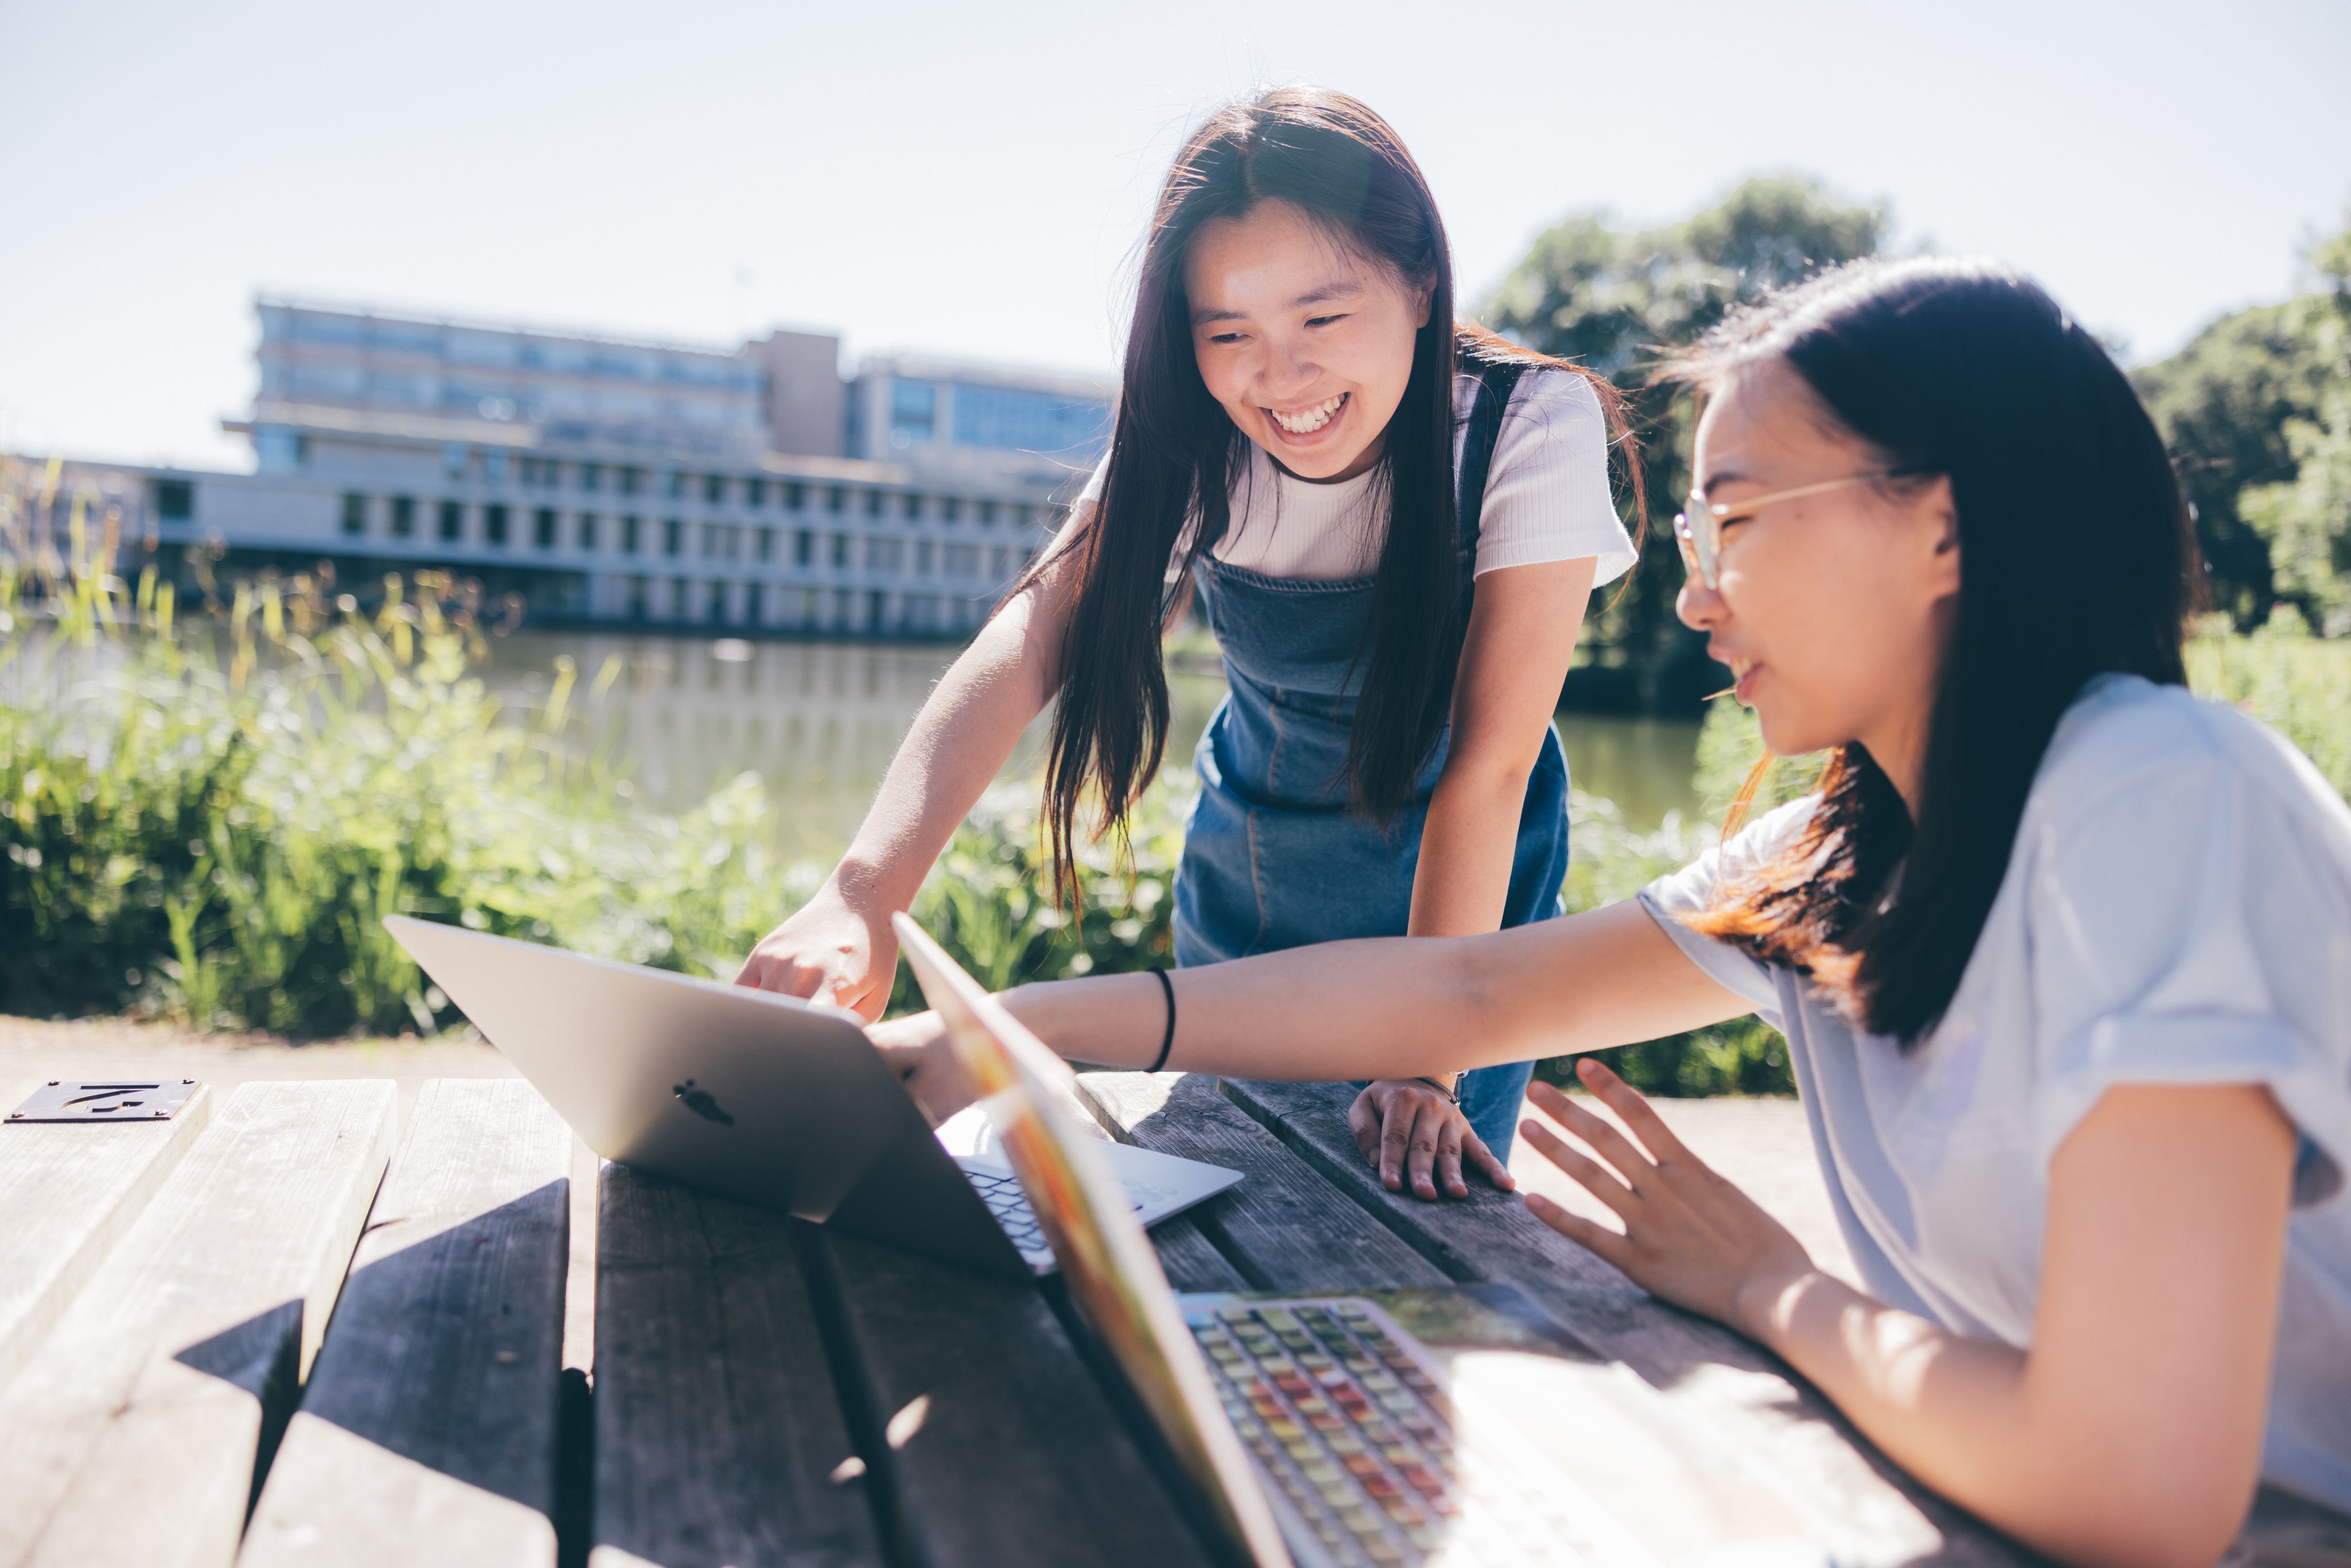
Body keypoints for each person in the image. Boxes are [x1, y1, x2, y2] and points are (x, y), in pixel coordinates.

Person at [868, 256, 2351, 1566]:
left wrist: (1773, 1288)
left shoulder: (2161, 789)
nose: (1698, 600)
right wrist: (1024, 1027)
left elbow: (2134, 1490)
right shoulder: (1845, 854)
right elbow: (1468, 998)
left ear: (1946, 529)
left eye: (1739, 520)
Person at [736, 86, 1640, 1198]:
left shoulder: (1525, 426)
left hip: (1461, 922)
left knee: (1416, 1233)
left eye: (1320, 318)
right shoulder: (1192, 438)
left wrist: (1422, 1055)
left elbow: (1492, 763)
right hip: (1249, 890)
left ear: (1418, 286)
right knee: (1224, 1212)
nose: (1281, 379)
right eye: (1229, 334)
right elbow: (1029, 638)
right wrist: (862, 895)